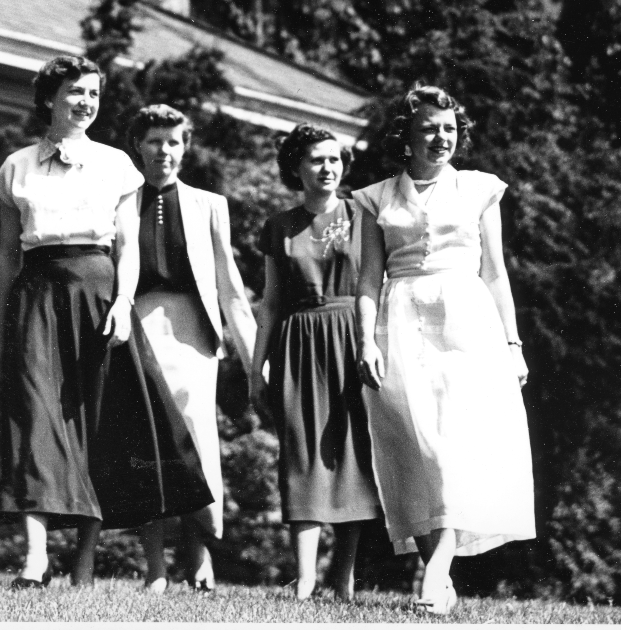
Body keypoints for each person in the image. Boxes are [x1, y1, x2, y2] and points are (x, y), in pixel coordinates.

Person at [0, 56, 212, 589]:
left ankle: (84, 565)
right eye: (75, 92)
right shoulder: (15, 167)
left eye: (93, 93)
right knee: (35, 416)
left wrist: (122, 301)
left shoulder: (116, 164)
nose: (86, 102)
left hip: (98, 293)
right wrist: (3, 323)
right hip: (37, 295)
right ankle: (36, 559)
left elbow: (128, 244)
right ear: (49, 98)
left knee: (96, 421)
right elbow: (5, 254)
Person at [354, 85, 536, 615]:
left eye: (449, 129)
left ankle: (435, 570)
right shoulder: (375, 199)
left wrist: (513, 344)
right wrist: (365, 339)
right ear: (406, 137)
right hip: (402, 321)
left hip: (467, 321)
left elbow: (496, 274)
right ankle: (439, 568)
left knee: (456, 447)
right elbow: (368, 280)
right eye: (430, 128)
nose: (441, 138)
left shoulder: (480, 189)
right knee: (417, 447)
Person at [126, 104, 257, 593]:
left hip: (193, 337)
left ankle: (200, 559)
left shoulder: (209, 205)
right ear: (138, 146)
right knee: (148, 447)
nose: (165, 151)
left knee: (197, 448)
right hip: (138, 330)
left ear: (186, 147)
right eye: (156, 141)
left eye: (174, 141)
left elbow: (231, 290)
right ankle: (155, 566)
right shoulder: (119, 201)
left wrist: (251, 358)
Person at [249, 123, 380, 601]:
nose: (327, 168)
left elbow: (373, 284)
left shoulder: (361, 214)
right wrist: (256, 365)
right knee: (302, 456)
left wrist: (371, 342)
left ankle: (343, 579)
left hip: (351, 338)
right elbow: (270, 302)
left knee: (351, 455)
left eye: (334, 159)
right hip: (299, 345)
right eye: (316, 160)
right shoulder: (278, 226)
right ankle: (304, 579)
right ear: (296, 168)